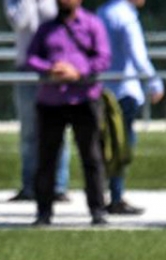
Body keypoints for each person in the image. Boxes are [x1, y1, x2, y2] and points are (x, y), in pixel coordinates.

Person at [26, 0, 111, 226]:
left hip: (84, 99)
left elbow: (103, 57)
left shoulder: (93, 24)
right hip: (51, 101)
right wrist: (50, 69)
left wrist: (78, 72)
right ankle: (43, 212)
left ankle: (97, 209)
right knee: (46, 159)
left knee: (91, 157)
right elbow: (31, 57)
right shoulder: (46, 29)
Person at [97, 0, 163, 215]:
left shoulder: (103, 12)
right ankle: (115, 196)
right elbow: (137, 54)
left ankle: (101, 194)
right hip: (123, 90)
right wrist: (153, 81)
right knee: (122, 146)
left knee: (104, 144)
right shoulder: (126, 17)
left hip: (102, 88)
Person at [4, 0, 71, 203]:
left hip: (54, 67)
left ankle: (58, 186)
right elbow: (21, 22)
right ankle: (29, 185)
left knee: (59, 127)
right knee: (29, 131)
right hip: (26, 68)